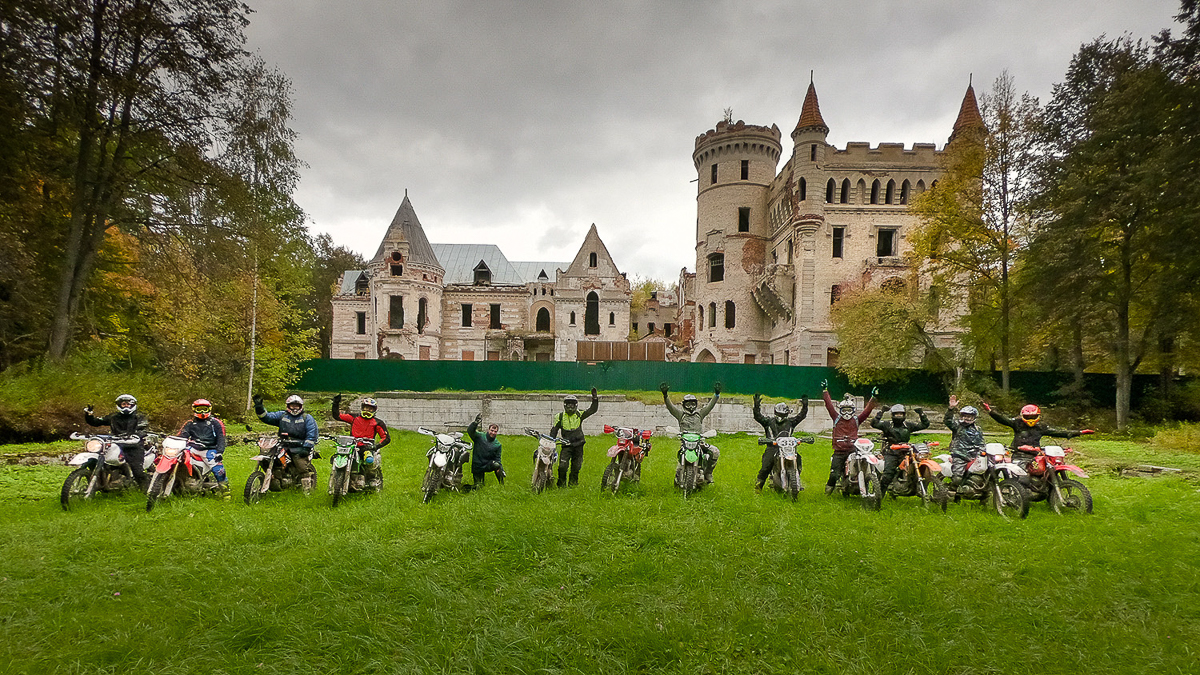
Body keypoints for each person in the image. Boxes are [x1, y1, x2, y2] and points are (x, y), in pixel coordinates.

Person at [982, 402, 1094, 469]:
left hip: (1035, 455)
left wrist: (1079, 433)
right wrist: (991, 411)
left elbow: (1059, 432)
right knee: (1020, 474)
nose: (1030, 419)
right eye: (1028, 417)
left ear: (1038, 416)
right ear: (1022, 416)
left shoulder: (1041, 427)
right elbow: (1003, 419)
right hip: (1019, 455)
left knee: (1046, 471)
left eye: (1033, 417)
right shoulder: (1017, 424)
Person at [253, 394, 318, 495]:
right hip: (283, 445)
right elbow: (267, 417)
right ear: (288, 406)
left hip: (299, 447)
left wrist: (306, 447)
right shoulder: (282, 415)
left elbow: (312, 434)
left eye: (297, 405)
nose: (295, 408)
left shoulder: (307, 418)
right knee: (271, 459)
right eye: (292, 405)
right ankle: (275, 477)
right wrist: (259, 407)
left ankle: (307, 491)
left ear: (301, 406)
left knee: (301, 466)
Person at [83, 394, 151, 490]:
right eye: (123, 404)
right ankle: (103, 482)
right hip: (116, 444)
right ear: (119, 405)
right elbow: (96, 422)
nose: (126, 406)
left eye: (128, 404)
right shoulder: (114, 417)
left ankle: (147, 493)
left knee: (138, 471)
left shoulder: (139, 416)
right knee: (99, 458)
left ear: (133, 405)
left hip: (133, 445)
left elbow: (143, 428)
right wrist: (89, 415)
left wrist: (138, 435)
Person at [821, 381, 878, 494]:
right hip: (839, 452)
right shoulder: (836, 418)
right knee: (834, 474)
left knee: (862, 466)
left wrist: (873, 397)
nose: (847, 413)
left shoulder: (856, 420)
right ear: (840, 410)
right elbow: (829, 405)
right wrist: (825, 391)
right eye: (844, 410)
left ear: (853, 410)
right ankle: (828, 490)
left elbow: (867, 410)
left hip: (854, 450)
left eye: (849, 410)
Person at [660, 382, 722, 483]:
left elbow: (710, 406)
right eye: (688, 404)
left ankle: (708, 473)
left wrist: (716, 394)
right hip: (685, 443)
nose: (691, 406)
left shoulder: (700, 414)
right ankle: (679, 478)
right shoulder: (681, 415)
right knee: (679, 468)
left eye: (693, 403)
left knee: (715, 452)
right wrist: (665, 395)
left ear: (696, 404)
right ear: (684, 405)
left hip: (699, 442)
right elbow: (671, 407)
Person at [751, 392, 809, 493]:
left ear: (787, 414)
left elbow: (801, 416)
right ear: (775, 413)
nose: (781, 416)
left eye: (783, 414)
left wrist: (805, 405)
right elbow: (758, 417)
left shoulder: (791, 422)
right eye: (779, 414)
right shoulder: (768, 422)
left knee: (798, 458)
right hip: (772, 447)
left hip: (788, 448)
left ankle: (795, 479)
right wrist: (756, 406)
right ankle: (758, 486)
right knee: (766, 466)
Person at [332, 394, 390, 490]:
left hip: (367, 447)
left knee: (369, 460)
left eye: (370, 409)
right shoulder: (354, 417)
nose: (367, 410)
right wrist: (335, 403)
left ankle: (372, 478)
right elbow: (337, 416)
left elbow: (386, 437)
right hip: (352, 446)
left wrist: (375, 446)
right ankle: (345, 478)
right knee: (339, 456)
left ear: (374, 410)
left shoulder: (377, 422)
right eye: (366, 408)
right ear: (362, 408)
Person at [871, 403, 931, 493]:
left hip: (906, 452)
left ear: (904, 415)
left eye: (901, 414)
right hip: (891, 452)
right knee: (888, 474)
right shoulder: (887, 425)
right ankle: (879, 496)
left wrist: (921, 414)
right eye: (896, 414)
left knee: (917, 467)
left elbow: (924, 425)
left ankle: (916, 488)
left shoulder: (908, 425)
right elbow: (874, 423)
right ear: (892, 415)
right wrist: (881, 412)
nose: (899, 416)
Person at [176, 398, 229, 497]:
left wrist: (219, 452)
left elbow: (221, 439)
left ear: (209, 409)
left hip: (209, 449)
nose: (202, 412)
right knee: (176, 459)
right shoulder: (190, 423)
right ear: (194, 410)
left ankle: (226, 492)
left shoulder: (216, 423)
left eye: (205, 409)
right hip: (192, 448)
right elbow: (181, 435)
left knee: (219, 470)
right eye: (199, 409)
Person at [549, 387, 599, 487]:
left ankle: (573, 485)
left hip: (579, 445)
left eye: (572, 404)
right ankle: (561, 486)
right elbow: (554, 431)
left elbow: (592, 410)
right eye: (568, 404)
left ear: (576, 405)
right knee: (562, 467)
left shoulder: (579, 414)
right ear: (564, 405)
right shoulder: (559, 417)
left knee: (576, 467)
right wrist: (551, 442)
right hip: (566, 445)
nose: (570, 406)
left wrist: (595, 399)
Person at [943, 395, 985, 491]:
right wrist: (951, 408)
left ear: (974, 417)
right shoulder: (957, 425)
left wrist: (984, 450)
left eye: (969, 416)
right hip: (959, 455)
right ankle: (951, 491)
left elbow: (982, 442)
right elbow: (947, 421)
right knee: (957, 478)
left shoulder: (977, 429)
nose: (967, 418)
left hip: (975, 456)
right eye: (964, 416)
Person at [467, 413, 505, 488]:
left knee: (497, 465)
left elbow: (498, 459)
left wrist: (501, 469)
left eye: (495, 431)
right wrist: (475, 423)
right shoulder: (479, 436)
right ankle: (467, 488)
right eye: (492, 430)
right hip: (477, 466)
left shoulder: (497, 444)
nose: (493, 433)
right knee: (478, 487)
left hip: (487, 465)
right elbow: (470, 432)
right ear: (488, 430)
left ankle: (502, 485)